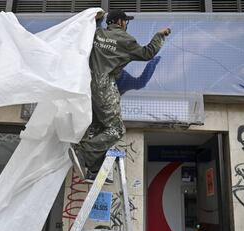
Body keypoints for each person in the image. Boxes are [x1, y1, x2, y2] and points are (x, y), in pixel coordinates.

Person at [69, 9, 170, 183]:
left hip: (87, 85)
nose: (127, 25)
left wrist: (97, 20)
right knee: (116, 129)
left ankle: (93, 170)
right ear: (120, 22)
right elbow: (147, 53)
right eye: (126, 21)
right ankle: (83, 152)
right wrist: (159, 35)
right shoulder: (125, 40)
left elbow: (87, 33)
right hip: (105, 86)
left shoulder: (98, 33)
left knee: (98, 126)